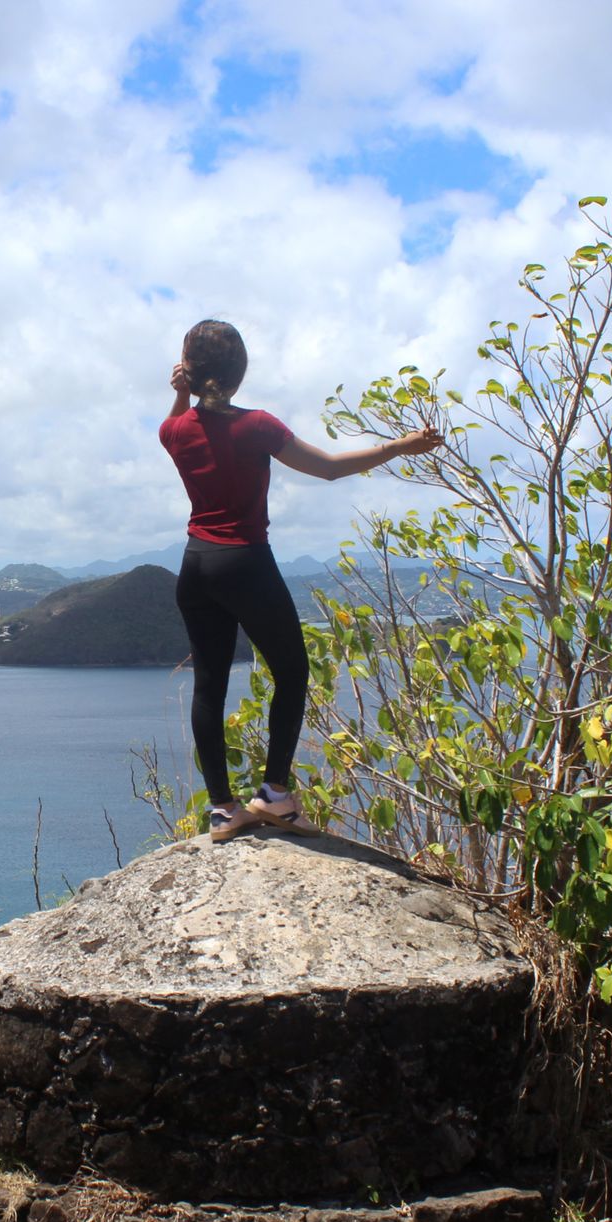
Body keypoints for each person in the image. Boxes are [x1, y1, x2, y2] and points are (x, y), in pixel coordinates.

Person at [161, 319, 440, 843]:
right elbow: (330, 468)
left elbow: (175, 425)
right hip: (245, 561)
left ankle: (223, 810)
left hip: (196, 565)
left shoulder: (173, 430)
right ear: (238, 375)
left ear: (189, 375)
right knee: (292, 672)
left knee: (209, 686)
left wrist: (180, 397)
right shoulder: (257, 426)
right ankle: (274, 796)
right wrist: (399, 447)